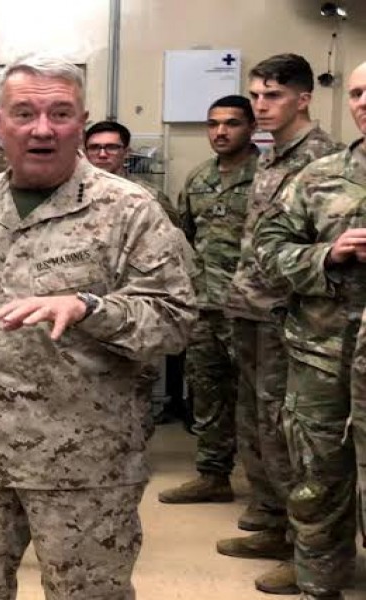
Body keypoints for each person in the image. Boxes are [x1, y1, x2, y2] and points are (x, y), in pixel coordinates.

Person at [0, 53, 196, 599]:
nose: (42, 129)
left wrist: (94, 308)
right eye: (24, 113)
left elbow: (175, 319)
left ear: (83, 123)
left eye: (61, 114)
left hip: (83, 466)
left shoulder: (129, 211)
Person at [220, 54, 343, 596]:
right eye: (256, 96)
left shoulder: (325, 160)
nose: (260, 106)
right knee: (256, 424)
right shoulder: (272, 157)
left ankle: (306, 549)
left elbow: (325, 249)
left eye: (271, 96)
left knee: (290, 435)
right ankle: (271, 522)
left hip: (292, 318)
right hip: (251, 310)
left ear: (303, 98)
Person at [253, 60, 366, 600]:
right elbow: (267, 254)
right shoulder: (318, 178)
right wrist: (326, 254)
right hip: (324, 355)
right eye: (356, 92)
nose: (363, 102)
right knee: (317, 478)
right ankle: (320, 582)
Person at [159, 95, 258, 505]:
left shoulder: (267, 176)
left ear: (251, 127)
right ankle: (212, 476)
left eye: (231, 123)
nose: (220, 131)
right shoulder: (199, 179)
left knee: (257, 405)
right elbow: (186, 237)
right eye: (213, 123)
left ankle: (268, 498)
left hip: (254, 310)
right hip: (206, 308)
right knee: (208, 395)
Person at [83, 120, 180, 226]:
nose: (102, 154)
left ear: (126, 153)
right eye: (94, 147)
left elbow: (173, 238)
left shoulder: (149, 196)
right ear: (85, 153)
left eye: (111, 147)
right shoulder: (74, 192)